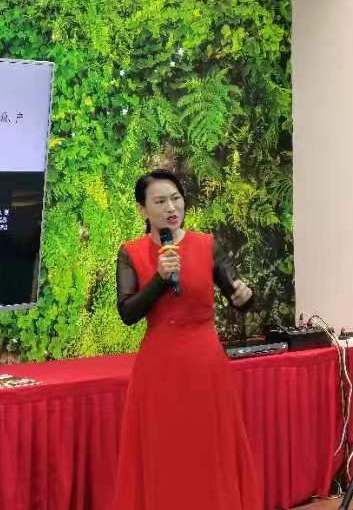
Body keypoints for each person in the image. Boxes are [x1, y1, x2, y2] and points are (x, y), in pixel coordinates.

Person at [112, 169, 263, 510]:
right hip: (158, 368)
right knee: (166, 452)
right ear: (141, 209)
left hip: (205, 365)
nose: (171, 208)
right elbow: (128, 312)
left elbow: (238, 294)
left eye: (176, 199)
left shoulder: (207, 245)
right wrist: (159, 279)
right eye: (160, 201)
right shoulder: (130, 252)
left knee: (207, 450)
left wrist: (245, 297)